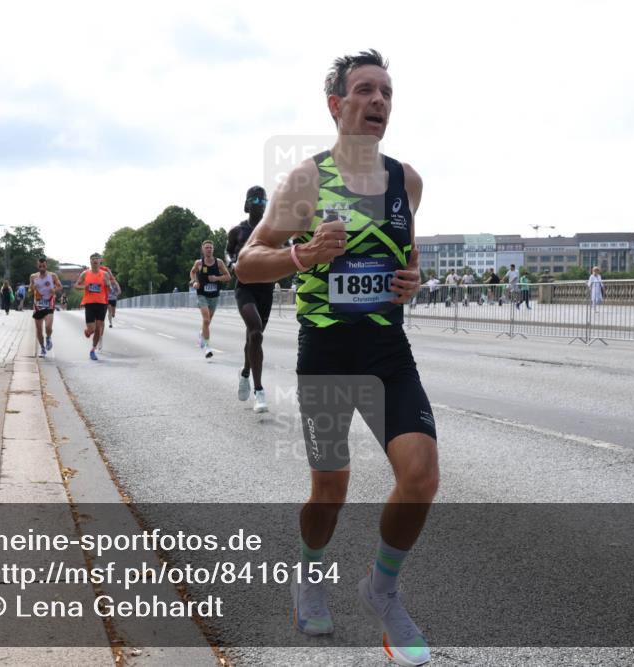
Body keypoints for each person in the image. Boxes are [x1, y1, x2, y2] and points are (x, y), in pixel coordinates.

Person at [236, 49, 434, 667]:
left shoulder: (407, 181)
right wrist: (302, 257)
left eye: (386, 92)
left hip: (386, 349)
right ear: (336, 105)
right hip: (325, 350)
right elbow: (248, 261)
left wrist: (412, 279)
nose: (379, 102)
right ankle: (311, 572)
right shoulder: (305, 181)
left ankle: (382, 589)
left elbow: (408, 253)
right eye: (365, 91)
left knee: (421, 477)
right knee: (330, 490)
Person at [227, 186, 275, 412]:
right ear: (247, 205)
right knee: (255, 330)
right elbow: (228, 252)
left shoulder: (272, 231)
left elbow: (284, 250)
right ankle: (259, 391)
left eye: (263, 199)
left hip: (265, 289)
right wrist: (231, 263)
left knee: (254, 339)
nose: (259, 202)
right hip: (245, 288)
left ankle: (245, 373)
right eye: (254, 199)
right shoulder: (237, 231)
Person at [189, 240, 230, 359]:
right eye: (206, 247)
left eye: (210, 248)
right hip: (202, 295)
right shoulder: (199, 263)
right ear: (202, 249)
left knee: (208, 321)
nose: (209, 249)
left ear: (213, 249)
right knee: (206, 320)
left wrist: (217, 278)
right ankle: (207, 347)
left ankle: (202, 334)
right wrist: (195, 281)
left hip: (214, 296)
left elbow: (228, 276)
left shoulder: (219, 262)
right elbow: (192, 272)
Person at [75, 253, 120, 361]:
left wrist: (108, 284)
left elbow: (109, 290)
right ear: (90, 261)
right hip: (89, 303)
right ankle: (88, 331)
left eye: (97, 259)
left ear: (100, 261)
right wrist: (83, 286)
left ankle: (93, 350)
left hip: (102, 303)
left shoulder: (104, 274)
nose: (95, 261)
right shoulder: (85, 274)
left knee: (99, 328)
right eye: (93, 259)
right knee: (92, 329)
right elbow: (76, 285)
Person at [29, 258, 62, 358]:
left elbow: (60, 286)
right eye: (40, 266)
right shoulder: (33, 276)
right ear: (37, 266)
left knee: (48, 327)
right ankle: (42, 348)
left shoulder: (52, 275)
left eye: (43, 266)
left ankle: (48, 337)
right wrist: (32, 288)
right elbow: (30, 290)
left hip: (49, 304)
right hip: (38, 305)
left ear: (46, 265)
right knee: (39, 329)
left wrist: (54, 290)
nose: (42, 267)